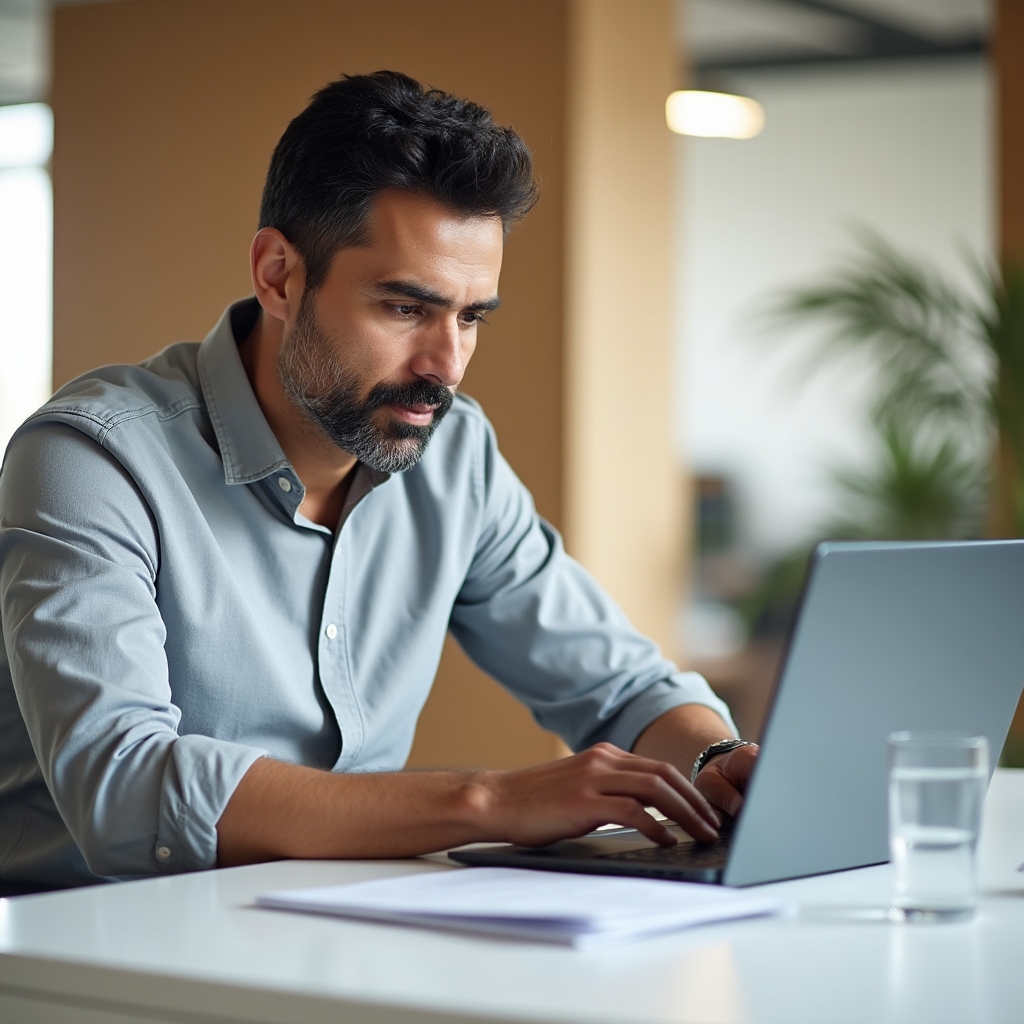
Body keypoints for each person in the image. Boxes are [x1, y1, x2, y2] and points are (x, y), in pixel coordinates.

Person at [0, 71, 757, 889]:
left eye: (470, 317)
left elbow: (623, 689)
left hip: (338, 939)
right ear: (279, 275)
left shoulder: (454, 456)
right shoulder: (91, 460)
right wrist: (487, 801)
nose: (447, 367)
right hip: (85, 967)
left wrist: (717, 761)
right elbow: (128, 793)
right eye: (405, 309)